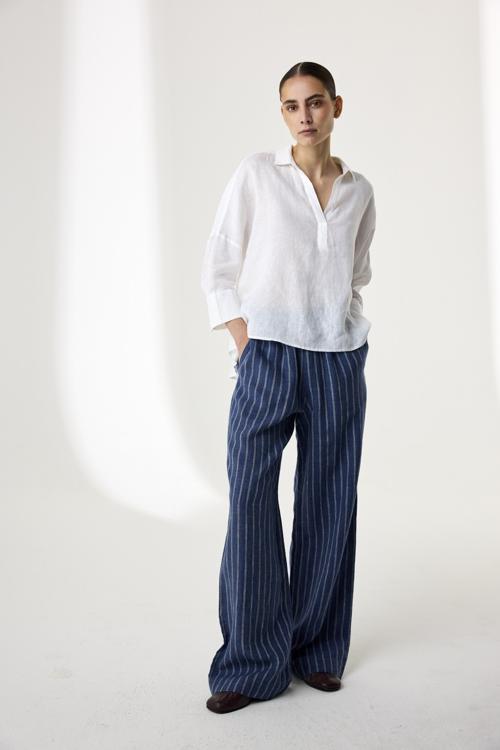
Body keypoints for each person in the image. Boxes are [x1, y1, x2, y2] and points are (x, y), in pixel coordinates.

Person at [200, 61, 376, 714]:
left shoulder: (359, 191)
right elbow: (219, 263)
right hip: (267, 355)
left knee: (329, 501)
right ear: (282, 113)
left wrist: (344, 332)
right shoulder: (257, 174)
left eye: (316, 102)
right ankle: (252, 664)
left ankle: (317, 651)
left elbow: (355, 274)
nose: (305, 115)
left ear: (336, 107)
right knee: (250, 499)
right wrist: (246, 341)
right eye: (292, 105)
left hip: (336, 359)